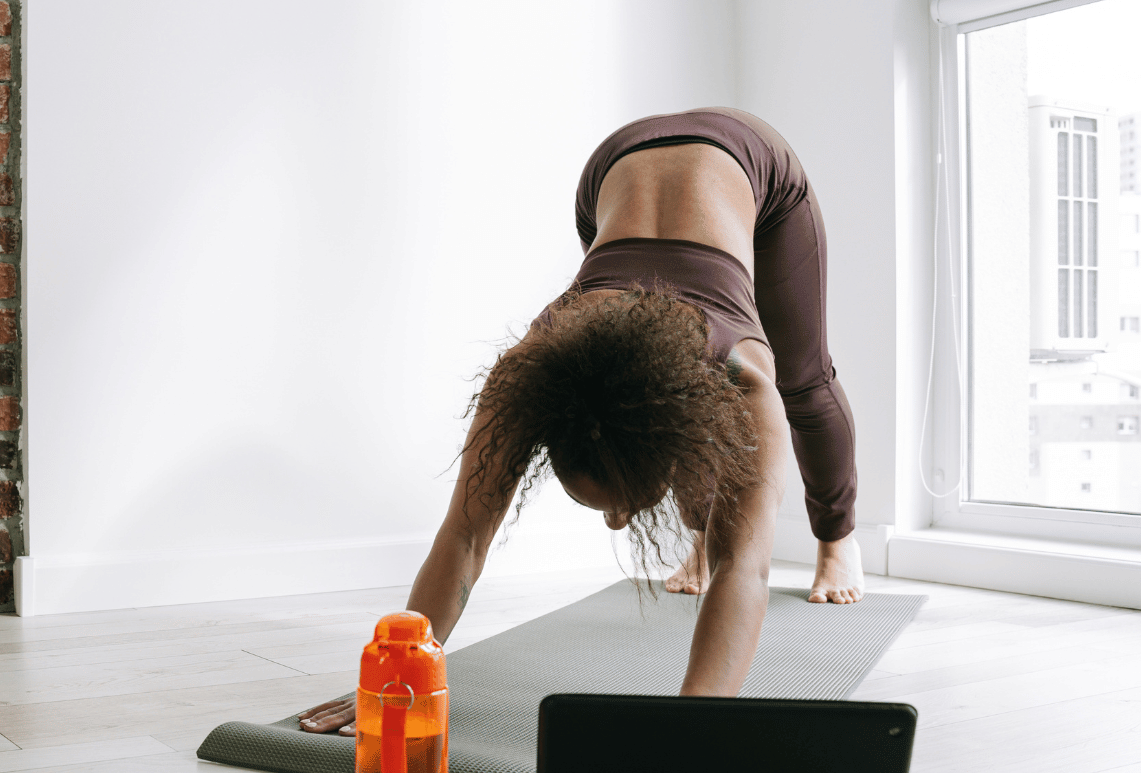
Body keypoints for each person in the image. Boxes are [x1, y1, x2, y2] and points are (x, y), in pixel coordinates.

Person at [299, 107, 863, 737]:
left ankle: (838, 541)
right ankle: (699, 536)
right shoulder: (528, 370)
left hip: (752, 159)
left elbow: (746, 568)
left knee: (806, 382)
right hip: (611, 173)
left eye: (618, 508)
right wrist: (398, 676)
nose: (619, 522)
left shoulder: (743, 375)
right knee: (638, 392)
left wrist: (692, 730)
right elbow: (464, 534)